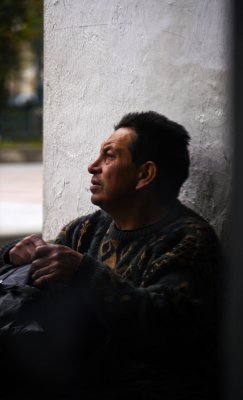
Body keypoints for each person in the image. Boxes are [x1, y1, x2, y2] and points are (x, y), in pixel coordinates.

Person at [0, 111, 220, 399]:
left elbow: (166, 328)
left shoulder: (187, 240)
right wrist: (13, 256)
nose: (93, 167)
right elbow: (38, 272)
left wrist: (84, 273)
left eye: (109, 157)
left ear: (144, 174)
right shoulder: (88, 228)